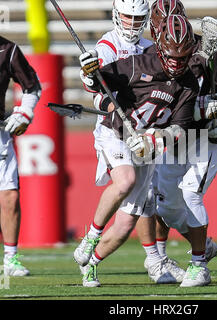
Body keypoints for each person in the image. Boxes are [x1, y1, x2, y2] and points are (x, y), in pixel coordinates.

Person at [75, 14, 199, 287]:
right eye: (172, 57)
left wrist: (155, 140)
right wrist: (88, 71)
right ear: (160, 48)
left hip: (148, 144)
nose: (177, 64)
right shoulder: (138, 64)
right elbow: (98, 84)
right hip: (115, 133)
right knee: (126, 180)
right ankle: (91, 237)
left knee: (127, 223)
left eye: (183, 57)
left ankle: (91, 264)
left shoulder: (189, 83)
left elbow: (179, 127)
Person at [143, 0, 217, 287]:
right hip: (178, 136)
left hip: (207, 135)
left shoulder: (208, 51)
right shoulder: (149, 56)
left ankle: (199, 265)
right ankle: (163, 259)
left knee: (190, 194)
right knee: (164, 202)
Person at [0, 36, 41, 276]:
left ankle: (11, 259)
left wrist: (24, 112)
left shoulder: (8, 49)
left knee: (9, 197)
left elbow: (32, 86)